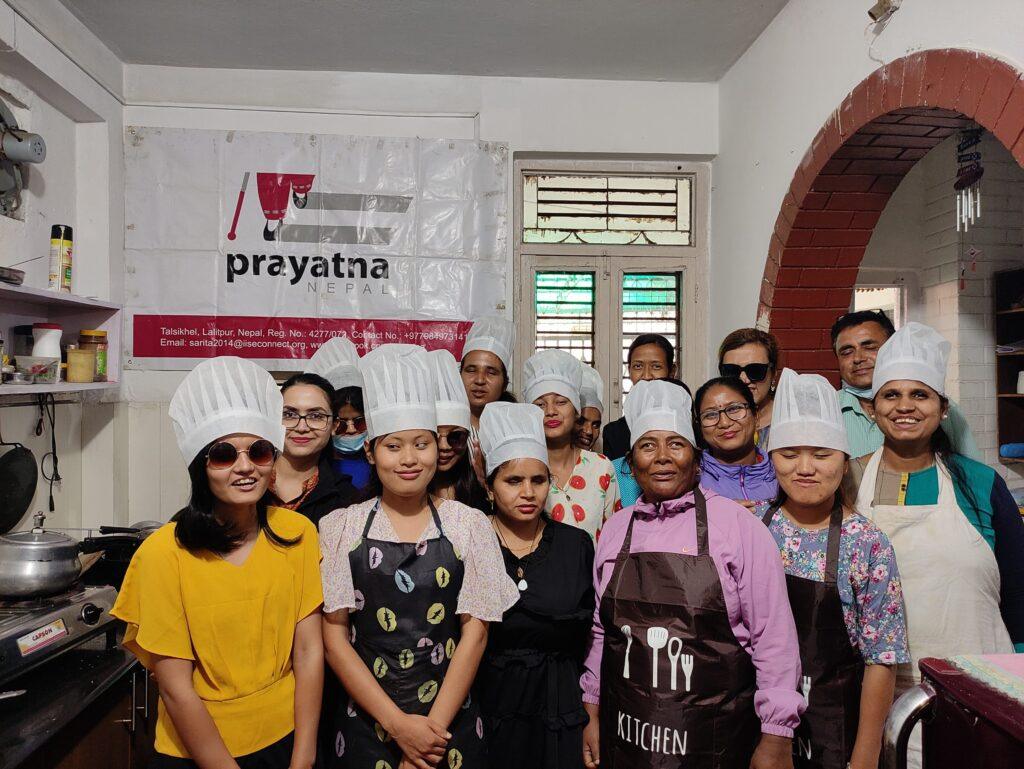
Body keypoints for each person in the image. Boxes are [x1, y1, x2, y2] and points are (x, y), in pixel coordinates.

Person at [112, 357, 324, 769]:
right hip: (196, 751)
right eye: (224, 455)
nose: (245, 467)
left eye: (259, 451)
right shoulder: (163, 555)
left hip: (286, 738)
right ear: (200, 467)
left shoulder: (298, 533)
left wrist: (304, 755)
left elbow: (309, 650)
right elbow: (175, 689)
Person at [581, 379, 803, 769]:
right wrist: (592, 713)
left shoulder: (740, 528)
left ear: (696, 459)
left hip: (715, 742)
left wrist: (776, 735)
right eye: (648, 446)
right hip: (627, 737)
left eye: (676, 444)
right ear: (631, 465)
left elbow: (774, 640)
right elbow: (602, 634)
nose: (662, 457)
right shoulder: (615, 530)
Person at [319, 344, 519, 769]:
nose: (409, 459)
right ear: (371, 453)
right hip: (366, 724)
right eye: (393, 446)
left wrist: (427, 739)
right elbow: (335, 640)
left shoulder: (469, 524)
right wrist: (399, 726)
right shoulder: (340, 527)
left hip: (449, 727)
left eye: (422, 444)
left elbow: (475, 635)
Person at [848, 322, 1024, 768]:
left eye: (920, 395)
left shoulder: (980, 484)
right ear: (872, 408)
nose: (905, 406)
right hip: (880, 695)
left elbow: (1021, 591)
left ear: (942, 408)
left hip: (981, 692)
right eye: (891, 395)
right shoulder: (848, 481)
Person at [763, 368, 909, 769]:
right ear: (771, 459)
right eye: (789, 454)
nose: (805, 467)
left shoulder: (868, 543)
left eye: (822, 455)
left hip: (833, 733)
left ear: (845, 464)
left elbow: (882, 658)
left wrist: (865, 756)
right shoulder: (751, 529)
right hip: (754, 729)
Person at [476, 402, 595, 769]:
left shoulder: (575, 544)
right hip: (489, 706)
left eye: (538, 480)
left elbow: (594, 635)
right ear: (490, 486)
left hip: (559, 707)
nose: (528, 492)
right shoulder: (472, 540)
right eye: (513, 481)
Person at [831, 309, 981, 460]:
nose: (858, 358)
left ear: (892, 348)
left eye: (869, 347)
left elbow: (973, 473)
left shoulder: (938, 409)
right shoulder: (828, 409)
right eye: (846, 352)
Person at [523, 349, 620, 540]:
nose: (550, 411)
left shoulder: (601, 467)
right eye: (540, 404)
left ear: (576, 411)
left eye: (560, 401)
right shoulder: (521, 468)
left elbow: (614, 540)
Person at [271, 372, 358, 527]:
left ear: (334, 426)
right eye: (289, 414)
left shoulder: (347, 499)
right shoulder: (248, 481)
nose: (302, 427)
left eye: (316, 416)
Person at [694, 376, 778, 517]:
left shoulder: (781, 475)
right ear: (700, 428)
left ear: (756, 417)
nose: (724, 423)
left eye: (734, 409)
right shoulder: (690, 478)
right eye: (710, 415)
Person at [306, 336, 372, 490]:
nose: (351, 429)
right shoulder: (311, 465)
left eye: (359, 422)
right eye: (341, 424)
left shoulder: (380, 461)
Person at [428, 348, 490, 510]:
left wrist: (488, 487)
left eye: (455, 437)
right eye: (434, 436)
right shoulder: (405, 494)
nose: (444, 446)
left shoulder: (479, 491)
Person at [601, 334, 676, 460]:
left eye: (656, 366)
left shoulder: (686, 425)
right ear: (629, 370)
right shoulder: (614, 432)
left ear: (672, 372)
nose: (646, 376)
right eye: (638, 366)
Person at [719, 328, 780, 448]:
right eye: (731, 371)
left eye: (755, 370)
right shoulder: (714, 423)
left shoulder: (792, 421)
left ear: (773, 373)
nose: (743, 379)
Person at [575, 364, 604, 452]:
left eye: (596, 425)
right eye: (581, 421)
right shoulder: (539, 463)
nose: (589, 431)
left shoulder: (603, 465)